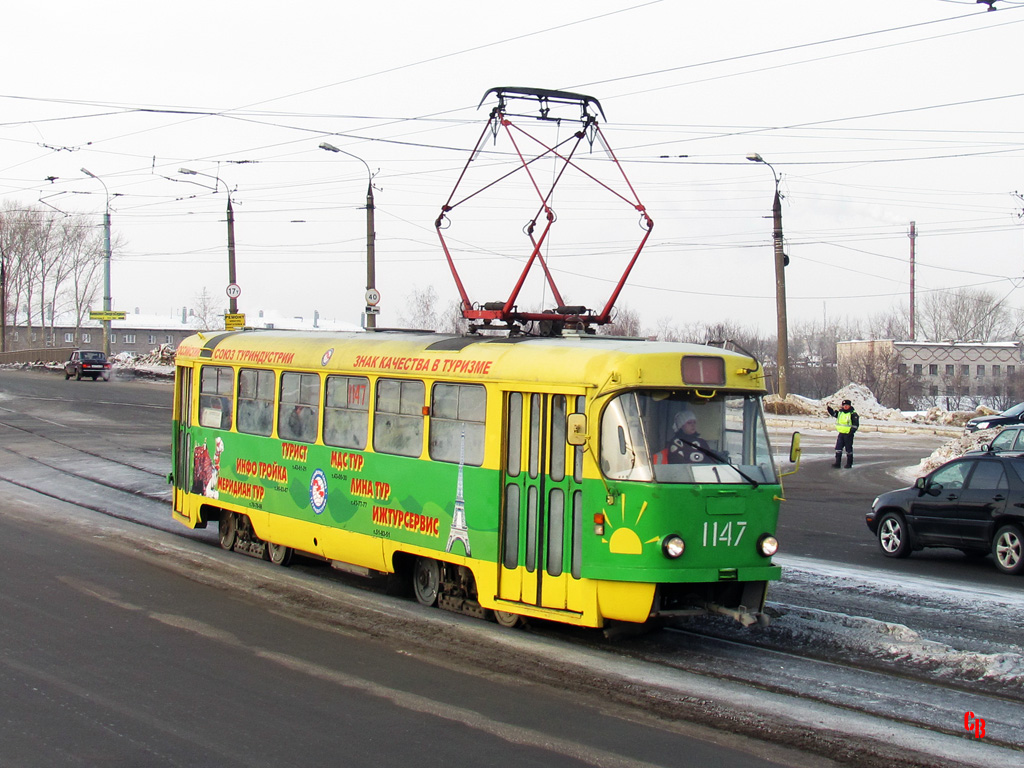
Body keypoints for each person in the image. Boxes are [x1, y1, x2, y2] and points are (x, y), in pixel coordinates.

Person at [827, 399, 859, 468]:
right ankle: (837, 463)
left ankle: (849, 463)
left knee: (848, 449)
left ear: (850, 406)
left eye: (847, 405)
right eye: (844, 405)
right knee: (838, 448)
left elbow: (855, 424)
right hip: (841, 433)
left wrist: (851, 431)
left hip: (848, 434)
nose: (845, 407)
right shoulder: (840, 412)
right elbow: (834, 414)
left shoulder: (853, 414)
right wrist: (829, 409)